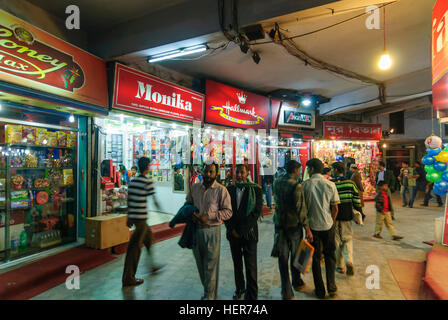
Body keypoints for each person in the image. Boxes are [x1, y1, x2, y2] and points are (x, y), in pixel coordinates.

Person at [186, 162, 232, 300]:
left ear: (216, 174)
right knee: (201, 265)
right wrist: (191, 213)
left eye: (211, 172)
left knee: (211, 266)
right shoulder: (194, 188)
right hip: (196, 232)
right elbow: (187, 203)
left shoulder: (221, 190)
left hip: (212, 231)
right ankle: (209, 292)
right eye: (206, 171)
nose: (208, 174)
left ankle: (209, 296)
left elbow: (228, 212)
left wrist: (210, 216)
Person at [302, 158, 340, 299]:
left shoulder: (305, 185)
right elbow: (335, 208)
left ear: (311, 169)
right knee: (330, 257)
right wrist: (331, 221)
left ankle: (320, 291)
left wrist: (307, 229)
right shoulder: (330, 184)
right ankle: (332, 288)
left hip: (313, 228)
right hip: (328, 226)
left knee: (316, 259)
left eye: (307, 168)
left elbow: (303, 211)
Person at [122, 157, 162, 287]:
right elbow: (154, 199)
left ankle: (152, 265)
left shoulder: (133, 182)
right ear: (147, 167)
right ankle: (129, 278)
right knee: (134, 249)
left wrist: (129, 217)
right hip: (141, 219)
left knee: (149, 239)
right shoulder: (147, 182)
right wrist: (160, 209)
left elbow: (129, 200)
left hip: (135, 217)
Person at [225, 164, 263, 300]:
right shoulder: (229, 190)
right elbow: (225, 211)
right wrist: (231, 229)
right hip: (233, 234)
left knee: (251, 266)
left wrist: (240, 231)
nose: (239, 175)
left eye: (242, 172)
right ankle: (239, 288)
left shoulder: (256, 190)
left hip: (249, 234)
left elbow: (256, 213)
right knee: (237, 265)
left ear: (247, 173)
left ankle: (252, 295)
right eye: (237, 172)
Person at [272, 160, 308, 300]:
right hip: (293, 226)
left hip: (279, 224)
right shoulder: (296, 185)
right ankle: (297, 281)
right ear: (295, 170)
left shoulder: (277, 182)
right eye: (299, 170)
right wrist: (307, 227)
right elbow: (300, 208)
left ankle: (286, 291)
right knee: (296, 256)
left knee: (283, 258)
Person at [331, 162, 363, 276]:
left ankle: (340, 266)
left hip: (334, 217)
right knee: (348, 239)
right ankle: (349, 260)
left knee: (337, 241)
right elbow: (356, 200)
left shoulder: (331, 184)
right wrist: (360, 213)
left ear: (335, 170)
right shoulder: (350, 183)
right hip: (347, 216)